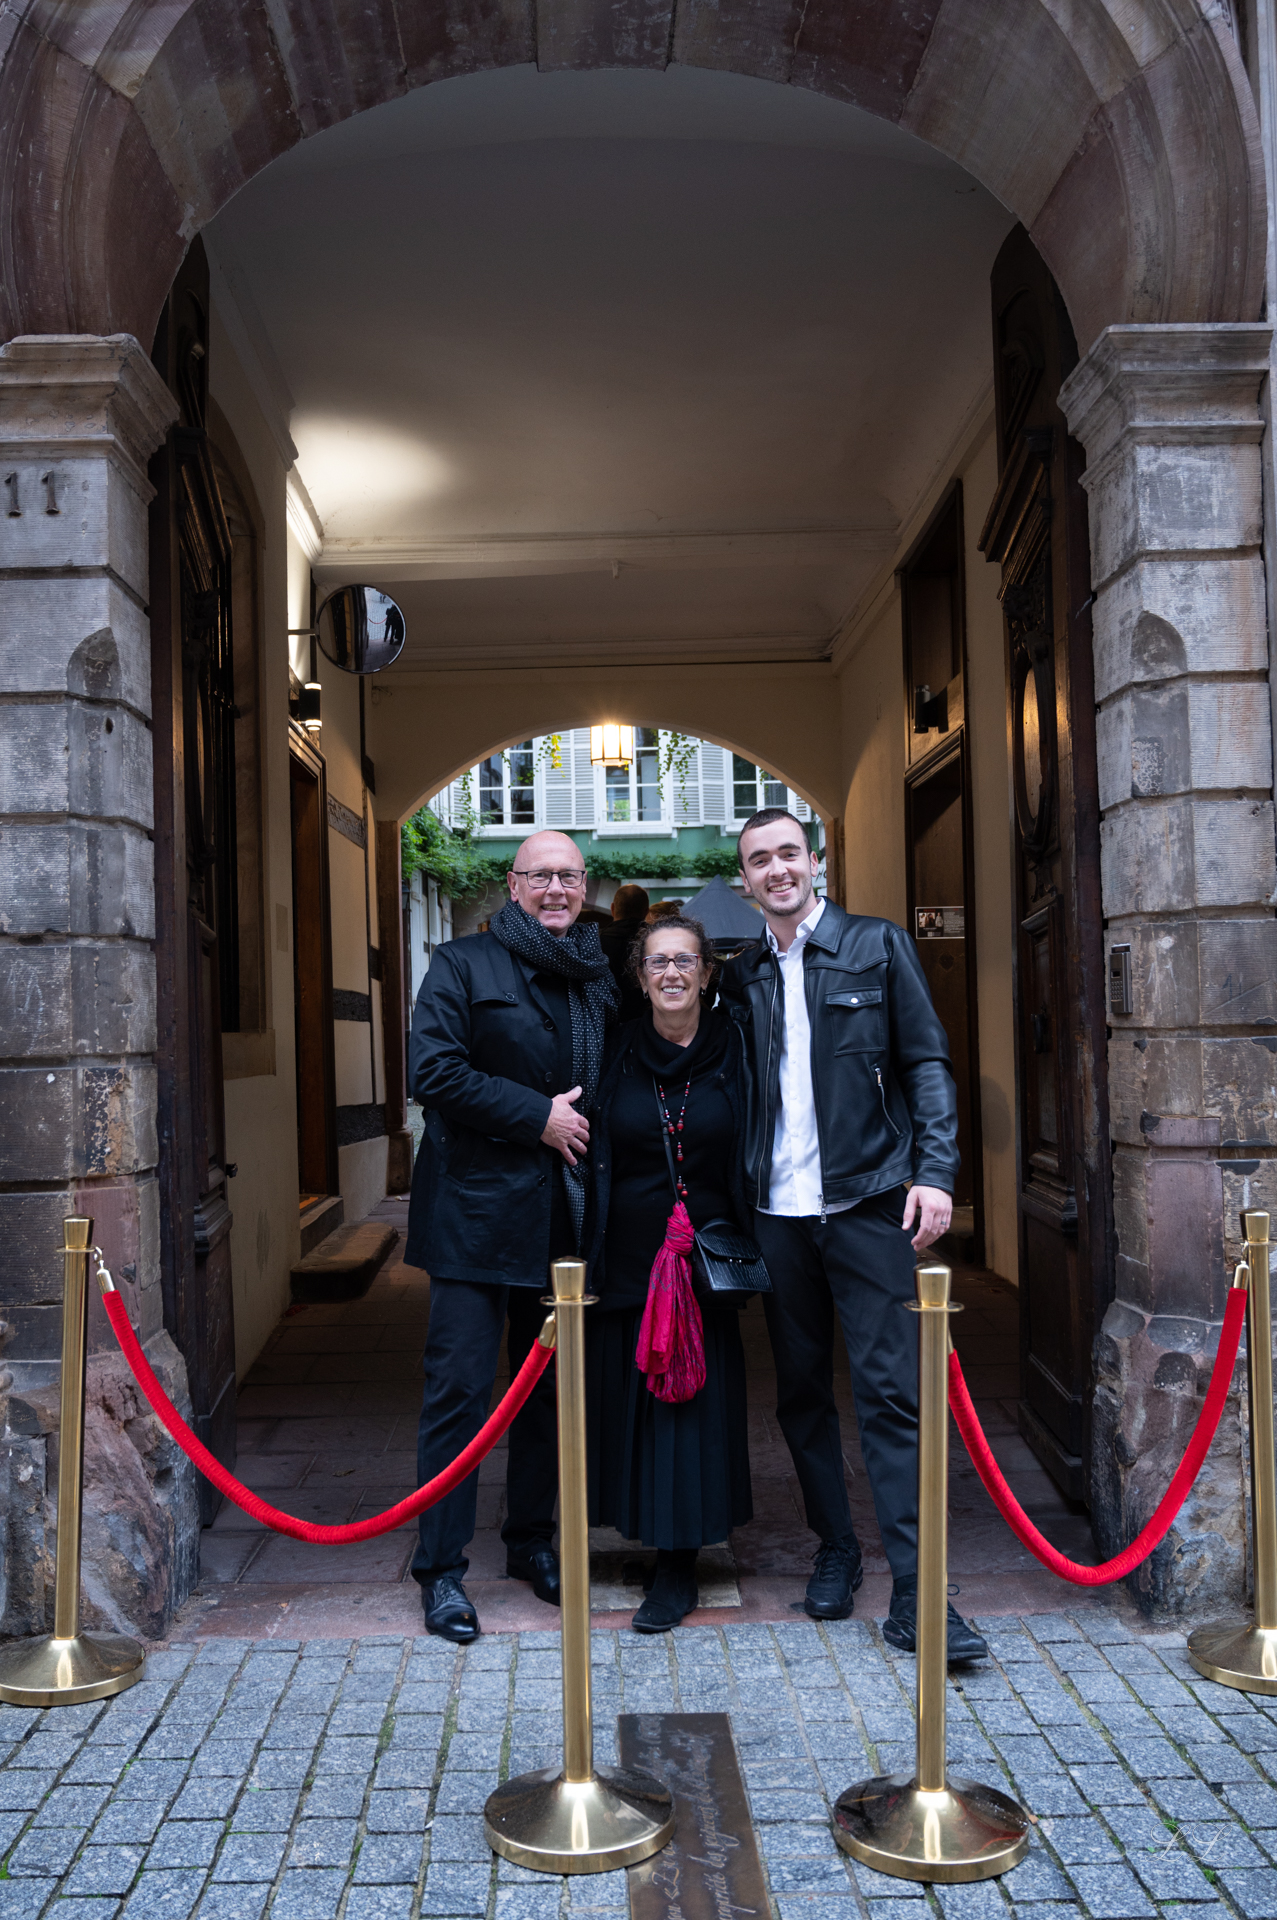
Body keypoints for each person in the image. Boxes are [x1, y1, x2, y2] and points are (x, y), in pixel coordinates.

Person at [722, 807, 986, 1662]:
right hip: (777, 1214)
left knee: (891, 1396)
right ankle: (833, 1549)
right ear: (744, 880)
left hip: (870, 1203)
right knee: (800, 1393)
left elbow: (925, 1062)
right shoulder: (742, 973)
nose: (776, 870)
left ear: (814, 861)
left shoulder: (875, 945)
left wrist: (934, 1171)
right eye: (759, 860)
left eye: (787, 854)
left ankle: (917, 1591)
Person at [404, 828, 619, 1641]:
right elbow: (432, 1072)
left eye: (569, 876)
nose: (556, 889)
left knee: (546, 1394)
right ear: (513, 883)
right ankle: (440, 1570)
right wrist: (537, 1117)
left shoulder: (597, 971)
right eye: (541, 876)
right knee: (459, 1393)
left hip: (564, 1214)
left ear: (584, 885)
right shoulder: (462, 964)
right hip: (471, 1215)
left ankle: (530, 1541)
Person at [584, 914, 752, 1632]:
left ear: (707, 973)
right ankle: (645, 1537)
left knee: (689, 1409)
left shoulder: (739, 1045)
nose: (672, 973)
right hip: (627, 1256)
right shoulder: (614, 1048)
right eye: (657, 962)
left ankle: (679, 1564)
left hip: (705, 1261)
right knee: (633, 1403)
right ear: (639, 975)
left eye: (685, 960)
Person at [600, 883, 649, 1021]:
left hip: (606, 1022)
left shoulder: (595, 943)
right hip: (647, 1020)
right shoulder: (657, 941)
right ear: (646, 912)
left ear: (612, 909)